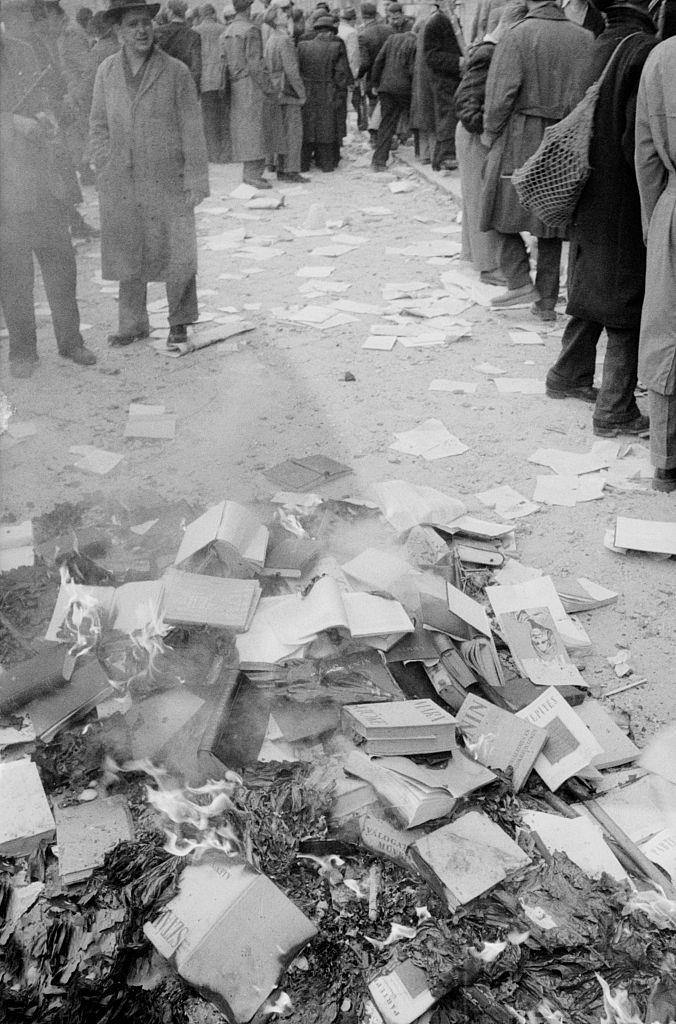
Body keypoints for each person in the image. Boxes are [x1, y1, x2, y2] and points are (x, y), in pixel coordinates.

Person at [545, 0, 656, 438]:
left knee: (592, 284)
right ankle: (615, 410)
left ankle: (567, 375)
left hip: (587, 188)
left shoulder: (597, 45)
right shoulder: (644, 49)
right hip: (623, 194)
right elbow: (639, 138)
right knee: (626, 298)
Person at [89, 0, 209, 349]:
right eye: (132, 25)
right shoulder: (106, 72)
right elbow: (97, 124)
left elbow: (192, 129)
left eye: (145, 23)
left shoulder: (176, 72)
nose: (141, 30)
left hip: (167, 177)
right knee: (127, 249)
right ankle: (133, 323)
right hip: (121, 179)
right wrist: (104, 159)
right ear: (118, 32)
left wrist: (196, 180)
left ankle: (180, 322)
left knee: (177, 249)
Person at [0, 5, 96, 378]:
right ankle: (23, 352)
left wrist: (45, 118)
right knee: (14, 273)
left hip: (45, 183)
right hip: (6, 192)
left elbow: (43, 99)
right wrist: (11, 124)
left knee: (61, 264)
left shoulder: (24, 50)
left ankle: (71, 342)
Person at [480, 0, 592, 319]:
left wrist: (490, 131)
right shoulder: (584, 38)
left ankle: (518, 279)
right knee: (551, 218)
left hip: (521, 134)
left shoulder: (517, 35)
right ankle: (545, 304)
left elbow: (501, 92)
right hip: (568, 136)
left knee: (495, 207)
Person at [454, 1, 526, 283]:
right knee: (482, 199)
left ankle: (476, 258)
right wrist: (483, 130)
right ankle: (490, 267)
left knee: (474, 198)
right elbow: (466, 98)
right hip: (476, 134)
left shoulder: (486, 49)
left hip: (472, 132)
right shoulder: (488, 53)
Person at [635, 35, 676, 490]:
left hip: (673, 205)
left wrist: (654, 219)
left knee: (667, 328)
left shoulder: (662, 57)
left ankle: (666, 460)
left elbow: (646, 152)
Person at [221, 0, 276, 189]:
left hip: (234, 83)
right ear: (249, 8)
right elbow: (255, 64)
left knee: (242, 129)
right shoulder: (251, 30)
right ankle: (253, 174)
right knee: (255, 128)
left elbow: (223, 60)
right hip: (250, 84)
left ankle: (248, 172)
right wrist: (268, 87)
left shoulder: (227, 30)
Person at [298, 13, 351, 172]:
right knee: (327, 127)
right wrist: (341, 93)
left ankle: (304, 164)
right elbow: (341, 74)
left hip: (307, 90)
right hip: (328, 90)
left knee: (307, 127)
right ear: (330, 31)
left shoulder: (302, 46)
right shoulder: (336, 47)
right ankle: (327, 164)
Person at [264, 3, 308, 182]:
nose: (287, 15)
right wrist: (301, 92)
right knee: (293, 132)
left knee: (281, 131)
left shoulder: (271, 39)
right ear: (276, 19)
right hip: (287, 89)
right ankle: (290, 169)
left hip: (275, 87)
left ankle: (281, 167)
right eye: (283, 13)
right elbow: (291, 70)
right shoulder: (284, 40)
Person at [370, 7, 416, 170]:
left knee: (386, 123)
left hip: (386, 87)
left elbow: (378, 62)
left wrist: (375, 84)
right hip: (405, 88)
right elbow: (412, 69)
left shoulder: (391, 39)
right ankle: (420, 153)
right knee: (415, 119)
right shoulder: (414, 42)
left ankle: (379, 161)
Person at [194, 2, 225, 160]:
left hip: (204, 80)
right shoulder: (222, 29)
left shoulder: (195, 31)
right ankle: (223, 152)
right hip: (220, 78)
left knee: (208, 119)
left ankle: (212, 153)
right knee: (222, 117)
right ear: (213, 13)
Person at [357, 0, 392, 137]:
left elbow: (365, 63)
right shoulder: (389, 29)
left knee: (373, 104)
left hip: (373, 76)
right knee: (388, 106)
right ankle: (388, 134)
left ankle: (375, 136)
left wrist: (358, 75)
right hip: (390, 74)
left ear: (362, 14)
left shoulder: (364, 35)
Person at [155, 0, 202, 90]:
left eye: (168, 10)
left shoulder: (159, 32)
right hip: (185, 84)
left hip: (163, 84)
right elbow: (197, 67)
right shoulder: (194, 35)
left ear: (172, 12)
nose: (167, 12)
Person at [410, 5, 436, 162]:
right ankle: (432, 155)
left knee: (422, 118)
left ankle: (424, 155)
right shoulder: (431, 36)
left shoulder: (418, 40)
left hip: (418, 84)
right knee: (431, 119)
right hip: (429, 83)